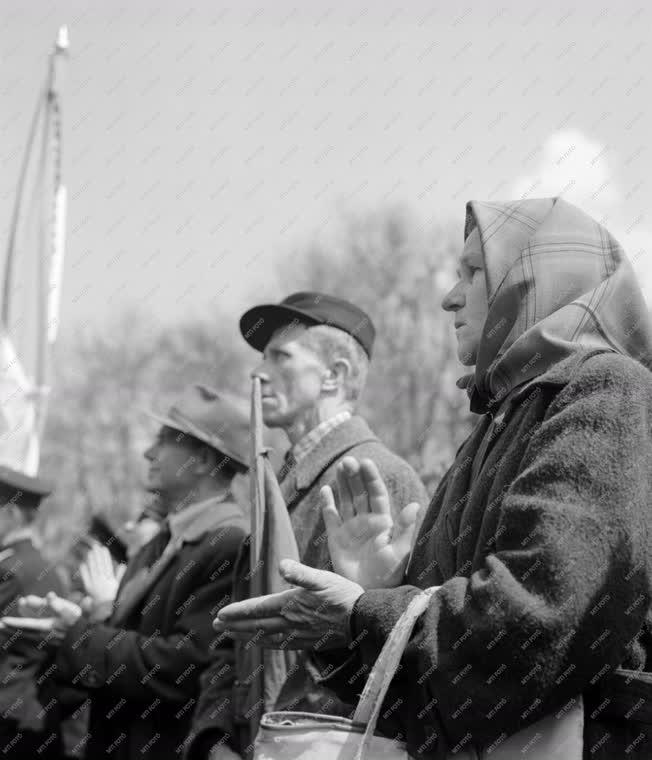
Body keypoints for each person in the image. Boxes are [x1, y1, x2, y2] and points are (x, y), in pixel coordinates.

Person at [215, 198, 652, 759]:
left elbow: (541, 612)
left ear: (538, 281)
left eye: (474, 273)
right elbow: (427, 692)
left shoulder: (606, 387)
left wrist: (360, 614)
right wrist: (374, 592)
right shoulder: (497, 424)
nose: (450, 296)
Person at [186, 292, 428, 759]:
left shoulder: (380, 475)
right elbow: (235, 631)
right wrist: (214, 740)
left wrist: (279, 742)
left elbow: (389, 646)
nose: (259, 373)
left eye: (281, 357)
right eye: (262, 358)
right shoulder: (280, 484)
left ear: (333, 375)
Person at [4, 385, 251, 760]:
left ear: (201, 459)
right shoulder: (163, 542)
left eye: (164, 441)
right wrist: (73, 623)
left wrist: (77, 636)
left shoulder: (230, 544)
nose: (148, 452)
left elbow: (184, 666)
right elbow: (133, 640)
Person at [0, 466, 67, 759]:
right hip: (31, 711)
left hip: (9, 715)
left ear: (12, 513)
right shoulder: (39, 565)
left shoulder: (11, 569)